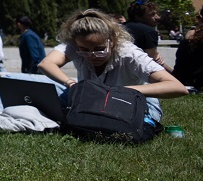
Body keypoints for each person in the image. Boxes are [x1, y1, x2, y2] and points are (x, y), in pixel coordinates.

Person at [39, 8, 187, 123]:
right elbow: (46, 64)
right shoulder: (75, 45)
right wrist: (70, 83)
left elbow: (177, 87)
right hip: (91, 99)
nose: (92, 55)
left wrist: (117, 91)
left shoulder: (129, 53)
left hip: (135, 102)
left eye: (99, 49)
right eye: (84, 50)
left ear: (112, 41)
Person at [124, 0, 167, 68]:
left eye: (156, 14)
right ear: (138, 16)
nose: (157, 17)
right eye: (152, 14)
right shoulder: (148, 31)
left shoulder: (119, 28)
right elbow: (153, 62)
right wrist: (174, 74)